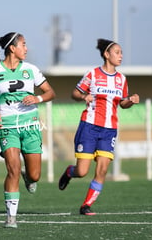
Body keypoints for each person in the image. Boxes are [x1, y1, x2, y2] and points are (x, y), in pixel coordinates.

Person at [0, 32, 56, 228]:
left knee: (35, 175)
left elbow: (50, 92)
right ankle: (11, 218)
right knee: (12, 169)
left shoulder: (31, 70)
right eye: (23, 44)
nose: (26, 48)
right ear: (12, 48)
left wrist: (37, 98)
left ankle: (28, 177)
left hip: (30, 125)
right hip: (6, 127)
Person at [58, 38, 139, 215]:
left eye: (121, 53)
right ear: (106, 54)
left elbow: (123, 104)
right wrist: (83, 97)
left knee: (102, 170)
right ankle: (69, 173)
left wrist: (131, 101)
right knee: (82, 171)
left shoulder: (122, 79)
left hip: (109, 130)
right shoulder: (93, 74)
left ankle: (86, 205)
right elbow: (75, 93)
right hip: (89, 127)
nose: (121, 56)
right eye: (117, 52)